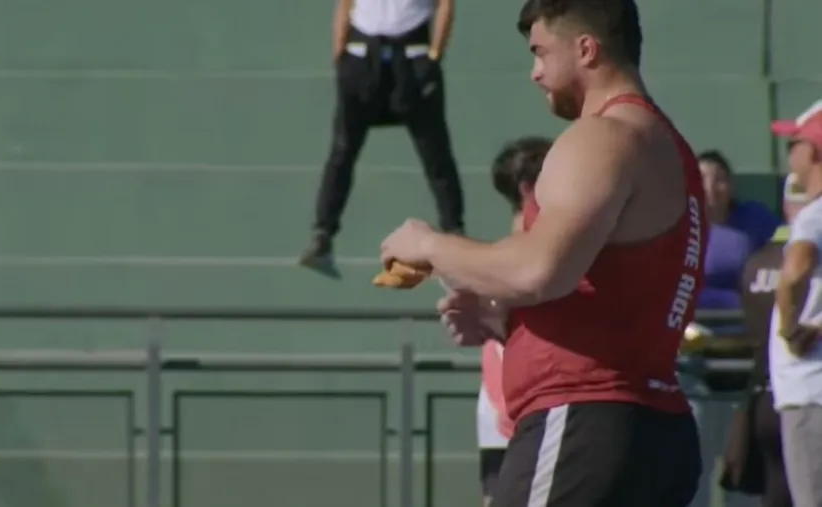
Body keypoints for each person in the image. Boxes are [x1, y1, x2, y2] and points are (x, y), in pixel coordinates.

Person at [378, 1, 705, 505]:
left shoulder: (603, 136)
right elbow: (610, 286)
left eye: (540, 52)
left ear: (586, 49)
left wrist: (428, 244)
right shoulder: (664, 145)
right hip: (647, 425)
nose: (534, 72)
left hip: (585, 419)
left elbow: (537, 270)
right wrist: (508, 321)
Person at [299, 0, 465, 267]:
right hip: (362, 57)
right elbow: (345, 4)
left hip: (413, 57)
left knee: (436, 153)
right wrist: (340, 54)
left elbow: (445, 4)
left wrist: (435, 54)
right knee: (342, 150)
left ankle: (454, 230)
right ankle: (322, 235)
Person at [470, 137, 552, 507]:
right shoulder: (525, 257)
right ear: (528, 189)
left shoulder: (499, 257)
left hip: (518, 408)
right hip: (519, 409)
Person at [720, 173, 805, 507]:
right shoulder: (810, 261)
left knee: (777, 493)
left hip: (765, 397)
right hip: (807, 397)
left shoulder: (757, 262)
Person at [769, 99, 822, 507]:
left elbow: (794, 273)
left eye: (795, 143)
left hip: (811, 391)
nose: (790, 153)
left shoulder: (814, 215)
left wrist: (790, 329)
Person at [698, 150, 781, 310]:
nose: (710, 187)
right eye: (701, 179)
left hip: (749, 313)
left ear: (731, 185)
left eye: (719, 179)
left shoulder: (754, 216)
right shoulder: (677, 225)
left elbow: (786, 246)